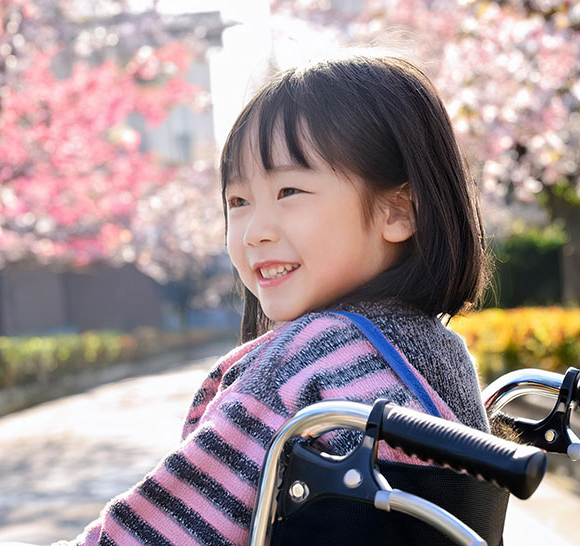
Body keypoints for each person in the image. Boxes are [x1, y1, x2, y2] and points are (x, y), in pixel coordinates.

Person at [55, 50, 491, 546]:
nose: (254, 232)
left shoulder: (309, 361)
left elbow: (162, 531)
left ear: (397, 212)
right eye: (239, 202)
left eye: (288, 191)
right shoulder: (446, 354)